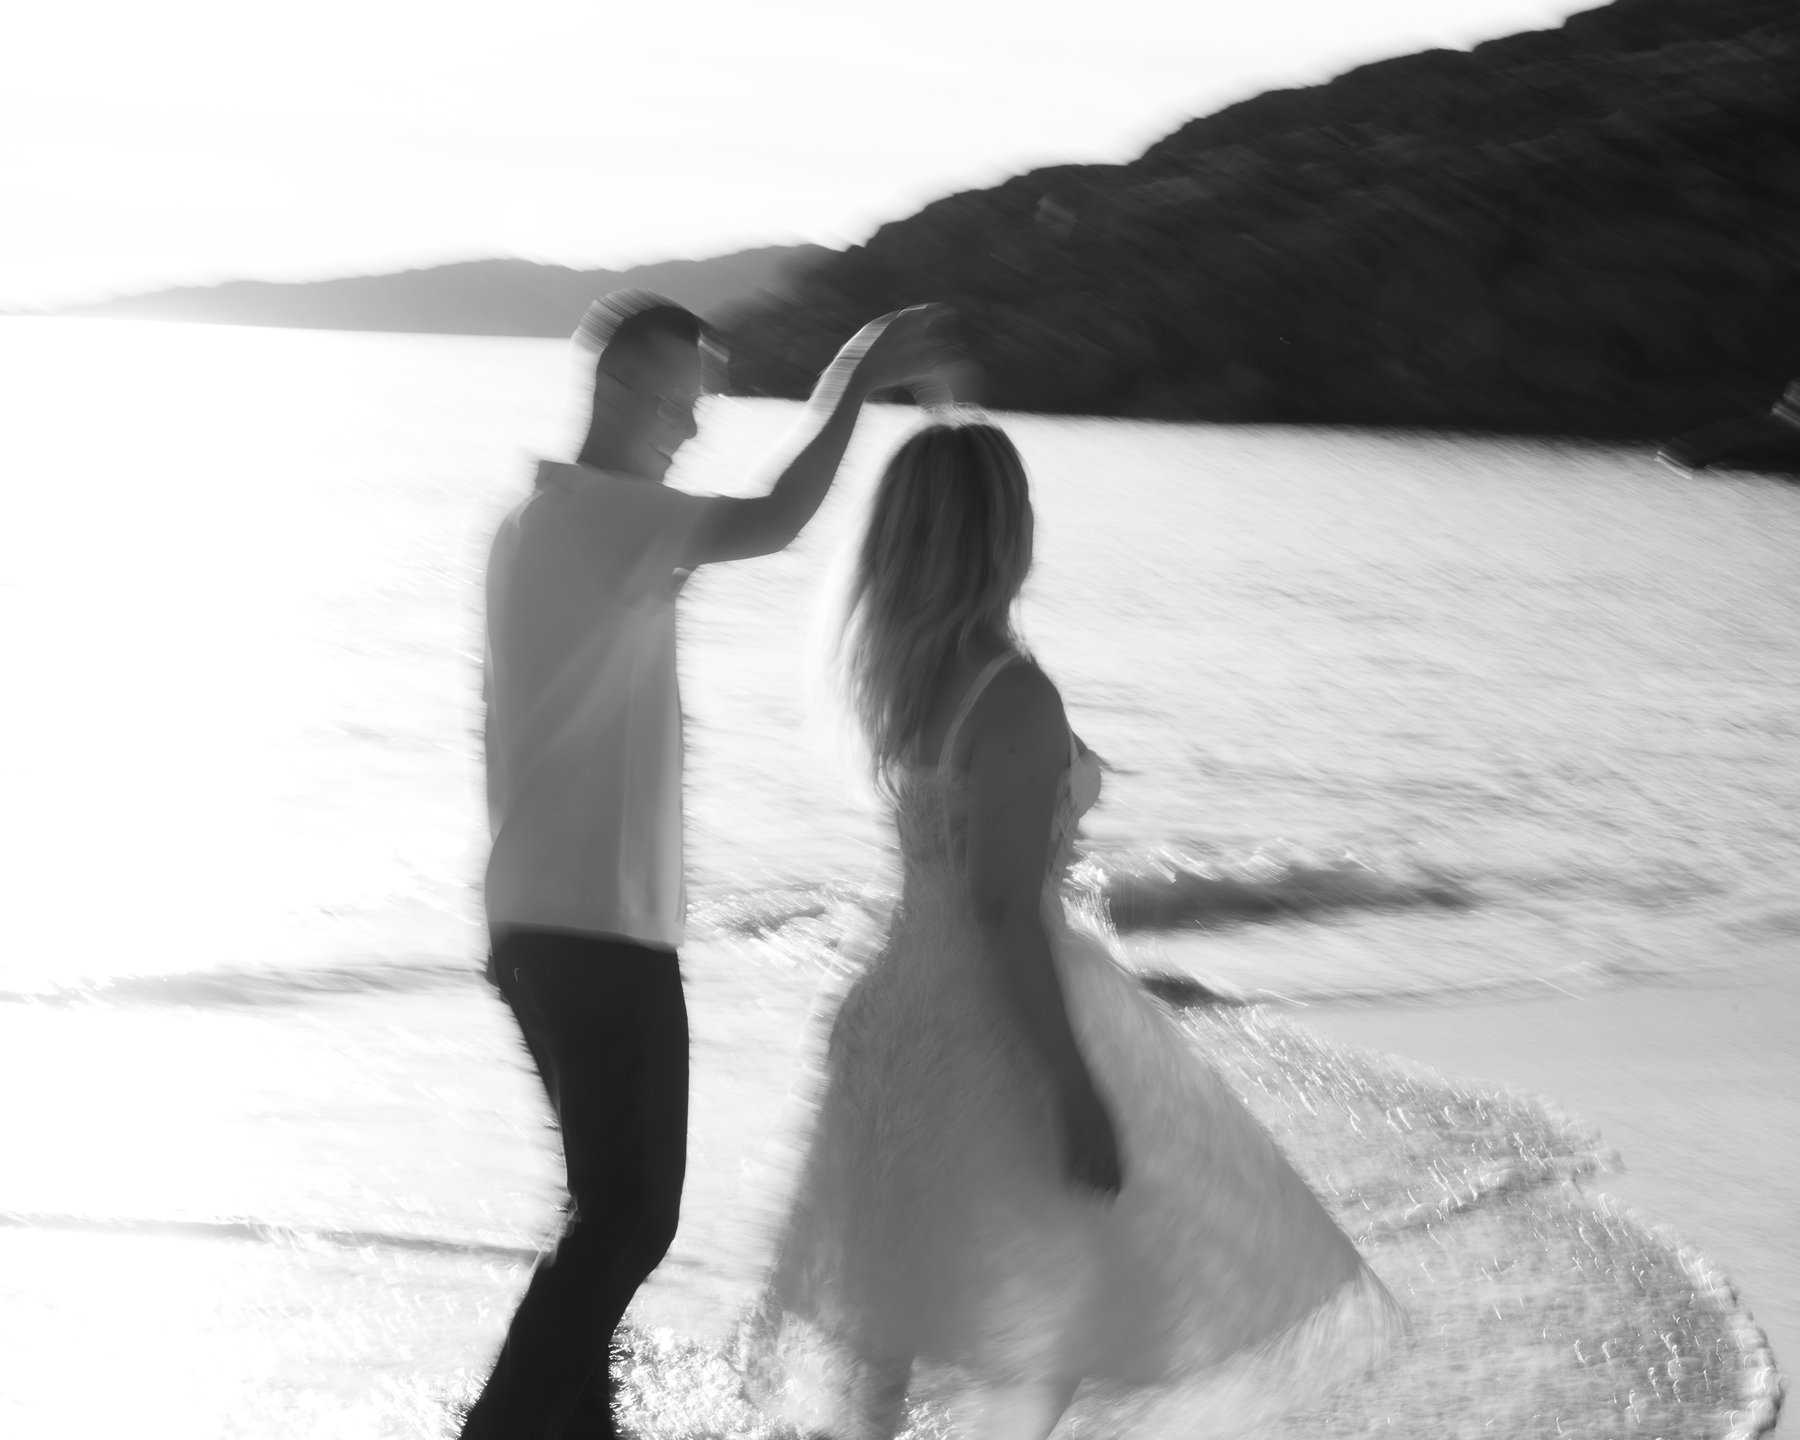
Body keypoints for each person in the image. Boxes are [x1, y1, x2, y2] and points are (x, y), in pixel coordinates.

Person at [742, 417, 1403, 1440]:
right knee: (1054, 1311)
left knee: (898, 1317)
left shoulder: (905, 679)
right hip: (982, 1026)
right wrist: (1074, 1091)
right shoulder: (1011, 694)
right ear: (1002, 532)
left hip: (895, 1006)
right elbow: (1002, 909)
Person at [461, 291, 950, 1440]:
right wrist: (858, 374)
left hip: (542, 920)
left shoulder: (548, 520)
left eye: (703, 404)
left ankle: (577, 1427)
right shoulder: (607, 517)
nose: (694, 425)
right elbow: (777, 517)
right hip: (595, 927)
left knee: (603, 1212)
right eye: (682, 401)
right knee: (631, 1219)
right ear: (619, 388)